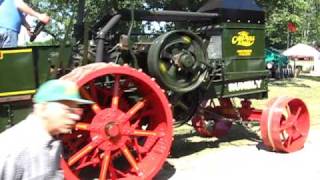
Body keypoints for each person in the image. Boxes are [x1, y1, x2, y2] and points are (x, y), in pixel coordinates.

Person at [0, 79, 93, 179]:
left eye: (77, 111)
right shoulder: (11, 148)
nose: (76, 117)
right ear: (42, 108)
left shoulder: (53, 144)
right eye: (68, 110)